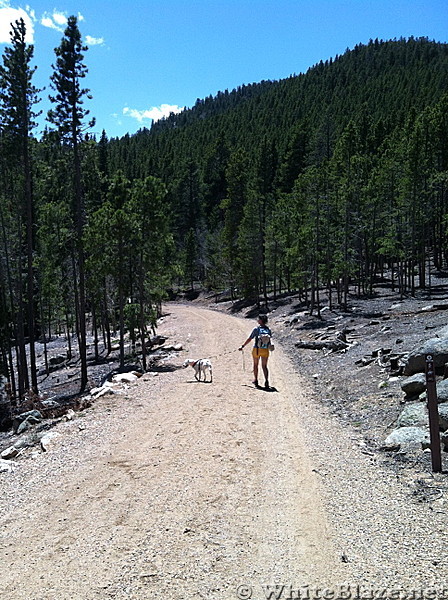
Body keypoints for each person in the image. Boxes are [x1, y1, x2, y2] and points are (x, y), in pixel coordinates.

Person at [239, 314, 272, 389]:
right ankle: (266, 381)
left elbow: (250, 338)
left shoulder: (256, 329)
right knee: (264, 366)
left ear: (260, 321)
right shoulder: (268, 330)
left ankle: (256, 380)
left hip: (256, 350)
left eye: (258, 319)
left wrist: (243, 345)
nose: (257, 320)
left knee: (255, 365)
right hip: (265, 350)